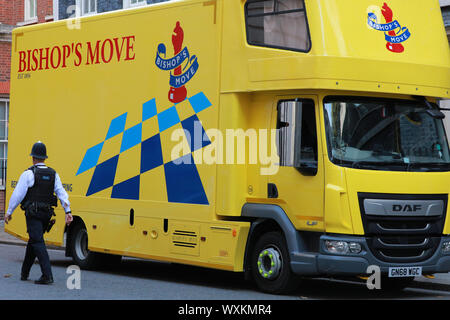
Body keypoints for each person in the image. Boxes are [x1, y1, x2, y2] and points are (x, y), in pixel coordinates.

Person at [4, 141, 73, 285]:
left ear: (33, 157)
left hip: (33, 213)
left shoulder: (29, 173)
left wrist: (9, 212)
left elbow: (18, 195)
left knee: (38, 241)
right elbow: (62, 193)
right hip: (47, 214)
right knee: (34, 240)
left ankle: (47, 275)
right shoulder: (54, 174)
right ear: (44, 158)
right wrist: (68, 211)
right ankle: (25, 272)